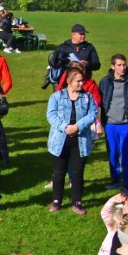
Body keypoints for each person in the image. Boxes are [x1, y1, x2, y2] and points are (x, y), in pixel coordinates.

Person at [47, 67, 98, 215]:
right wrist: (65, 127)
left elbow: (93, 114)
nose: (81, 83)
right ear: (69, 81)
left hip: (80, 141)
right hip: (60, 141)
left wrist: (77, 126)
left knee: (77, 173)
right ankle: (57, 200)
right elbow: (51, 115)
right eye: (78, 81)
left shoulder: (87, 97)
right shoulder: (56, 97)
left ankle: (77, 201)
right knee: (59, 172)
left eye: (82, 80)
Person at [98, 54, 128, 193]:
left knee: (126, 155)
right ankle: (115, 180)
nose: (123, 67)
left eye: (124, 64)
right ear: (112, 66)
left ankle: (127, 183)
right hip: (110, 124)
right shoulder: (105, 81)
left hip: (127, 124)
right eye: (119, 65)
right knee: (112, 153)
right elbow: (101, 101)